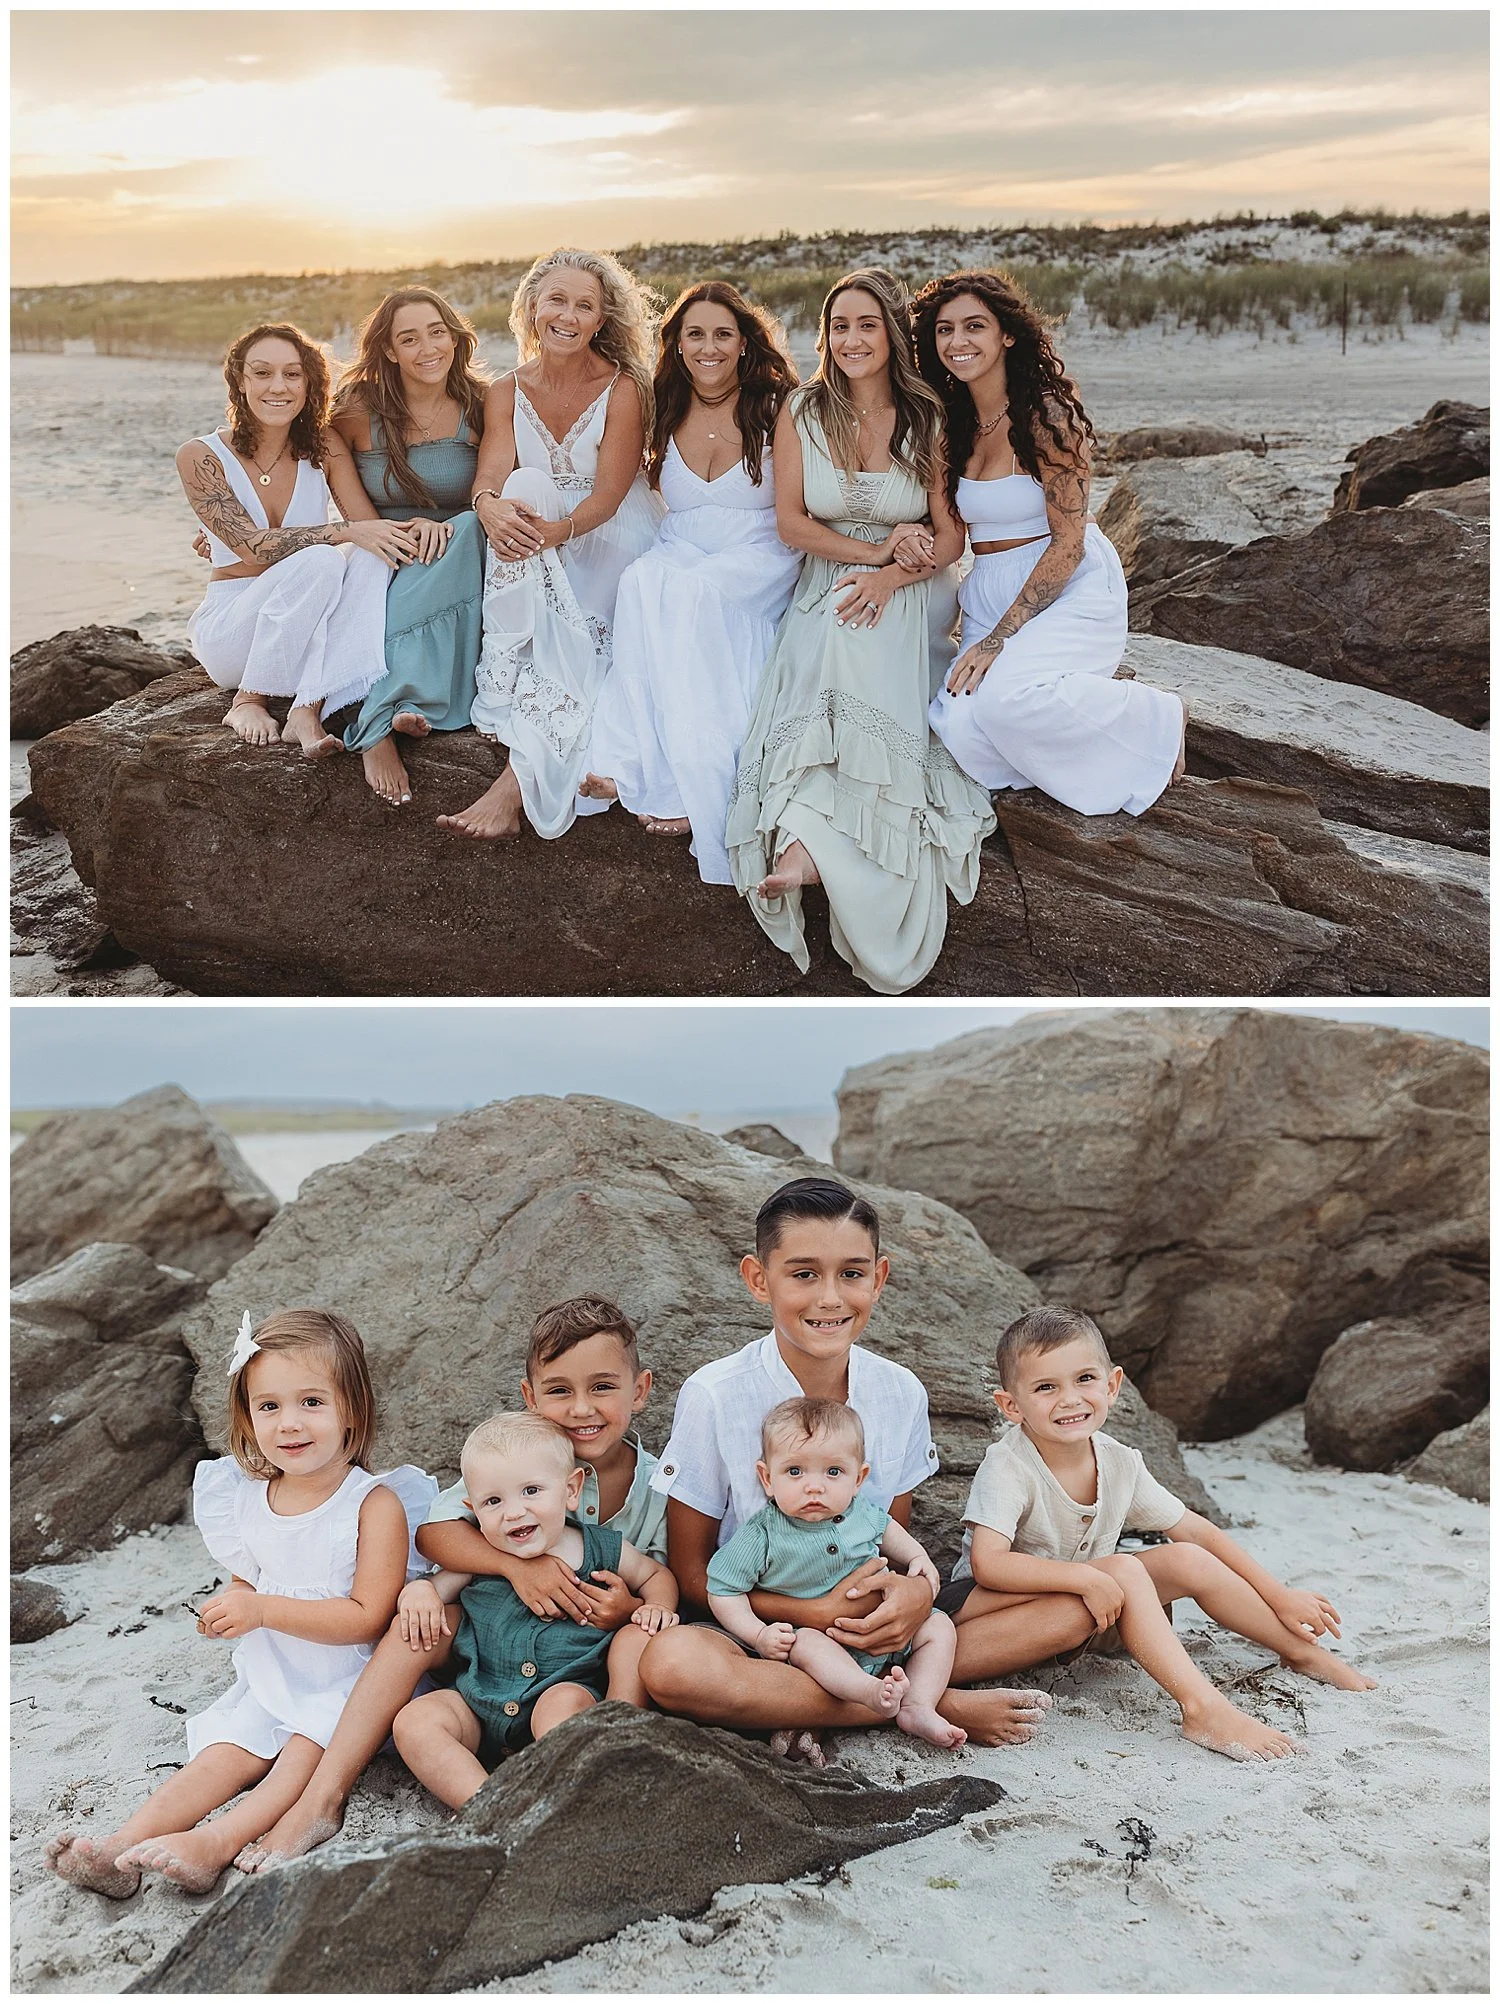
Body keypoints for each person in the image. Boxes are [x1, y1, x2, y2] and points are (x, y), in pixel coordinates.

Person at [233, 1295, 666, 1871]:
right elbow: (436, 1535)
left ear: (639, 1391)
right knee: (416, 1659)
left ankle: (595, 1778)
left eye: (602, 1388)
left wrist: (633, 1607)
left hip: (577, 1668)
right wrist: (509, 1566)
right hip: (486, 1668)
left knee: (575, 1700)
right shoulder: (507, 1462)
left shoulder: (659, 1488)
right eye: (560, 1391)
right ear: (531, 1397)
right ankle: (339, 1798)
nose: (580, 1408)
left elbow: (666, 1580)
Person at [639, 1176, 1054, 1753]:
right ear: (759, 1280)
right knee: (673, 1667)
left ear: (878, 1278)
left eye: (852, 1274)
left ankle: (855, 1697)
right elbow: (691, 1573)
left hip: (870, 1625)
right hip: (765, 1633)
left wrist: (911, 1596)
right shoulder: (715, 1394)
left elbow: (888, 1535)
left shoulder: (898, 1390)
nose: (830, 1298)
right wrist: (805, 1612)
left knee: (1068, 1610)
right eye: (804, 1274)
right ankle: (917, 1704)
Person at [43, 1311, 434, 1896]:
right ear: (247, 1417)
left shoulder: (373, 1504)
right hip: (274, 1671)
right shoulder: (245, 1498)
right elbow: (246, 1582)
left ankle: (215, 1844)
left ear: (351, 1408)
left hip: (350, 1682)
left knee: (300, 1755)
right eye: (269, 1406)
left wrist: (263, 1610)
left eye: (311, 1402)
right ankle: (122, 1847)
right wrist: (233, 1607)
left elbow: (368, 1616)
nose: (289, 1424)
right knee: (224, 1753)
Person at [943, 1306, 1377, 1763]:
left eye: (1084, 1379)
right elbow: (987, 1564)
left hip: (1072, 1611)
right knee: (1123, 1569)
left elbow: (1194, 1529)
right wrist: (1086, 1579)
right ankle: (1202, 1708)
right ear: (1011, 1406)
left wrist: (1279, 1594)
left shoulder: (1118, 1461)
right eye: (1046, 1387)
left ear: (1112, 1386)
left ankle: (1298, 1652)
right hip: (972, 1623)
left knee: (1183, 1558)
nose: (1069, 1399)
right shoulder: (1008, 1465)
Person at [725, 270, 996, 995]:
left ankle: (818, 847)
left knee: (854, 631)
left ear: (892, 335)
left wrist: (891, 577)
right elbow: (792, 524)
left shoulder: (929, 415)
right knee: (835, 634)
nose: (850, 340)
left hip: (912, 590)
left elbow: (948, 541)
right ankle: (805, 846)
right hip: (836, 571)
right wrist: (874, 555)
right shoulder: (802, 410)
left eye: (866, 325)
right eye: (838, 326)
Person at [913, 271, 1187, 815]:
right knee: (959, 728)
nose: (957, 342)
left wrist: (998, 642)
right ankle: (1072, 717)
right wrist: (902, 540)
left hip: (1066, 583)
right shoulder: (952, 426)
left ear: (1007, 335)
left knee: (1006, 703)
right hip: (989, 588)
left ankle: (1155, 716)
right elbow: (949, 533)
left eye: (974, 327)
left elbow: (1069, 542)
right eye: (945, 330)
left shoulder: (1046, 416)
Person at [578, 282, 802, 882]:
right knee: (642, 583)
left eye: (723, 334)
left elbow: (799, 508)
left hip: (760, 548)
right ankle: (624, 760)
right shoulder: (662, 404)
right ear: (675, 345)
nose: (709, 347)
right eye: (695, 334)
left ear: (744, 343)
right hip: (684, 543)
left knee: (695, 596)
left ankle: (692, 783)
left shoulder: (778, 406)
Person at [438, 249, 664, 843]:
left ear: (600, 319)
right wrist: (488, 508)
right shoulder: (505, 390)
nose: (568, 315)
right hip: (535, 535)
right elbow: (490, 476)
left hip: (607, 532)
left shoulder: (623, 389)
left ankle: (513, 785)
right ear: (532, 307)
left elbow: (612, 494)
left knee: (582, 645)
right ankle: (513, 657)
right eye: (556, 300)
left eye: (584, 305)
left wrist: (552, 536)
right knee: (522, 486)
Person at [390, 1412, 677, 1807]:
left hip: (564, 1691)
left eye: (531, 1491)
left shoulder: (601, 1549)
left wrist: (656, 1606)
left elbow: (654, 1574)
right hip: (479, 1704)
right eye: (494, 1501)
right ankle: (487, 1805)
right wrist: (417, 1594)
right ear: (473, 1508)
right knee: (415, 1722)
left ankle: (565, 1797)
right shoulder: (481, 1556)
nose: (513, 1512)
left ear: (571, 1489)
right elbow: (430, 1589)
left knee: (561, 1710)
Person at [177, 322, 420, 757]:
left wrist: (427, 525)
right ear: (239, 380)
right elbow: (252, 546)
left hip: (304, 628)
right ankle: (248, 700)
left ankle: (306, 708)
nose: (279, 386)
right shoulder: (201, 455)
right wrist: (341, 534)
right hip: (236, 628)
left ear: (309, 383)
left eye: (292, 374)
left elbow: (367, 529)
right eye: (263, 373)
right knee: (323, 559)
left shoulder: (323, 445)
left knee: (373, 556)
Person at [707, 1397, 965, 1754]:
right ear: (767, 1478)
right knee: (808, 1646)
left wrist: (918, 1557)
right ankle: (868, 1694)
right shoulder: (763, 1534)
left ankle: (918, 1705)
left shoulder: (861, 1513)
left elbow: (889, 1531)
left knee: (939, 1628)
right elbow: (722, 1589)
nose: (815, 1487)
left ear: (858, 1478)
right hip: (822, 1640)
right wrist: (759, 1633)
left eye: (833, 1472)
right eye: (795, 1472)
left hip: (886, 1631)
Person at [331, 289, 491, 806]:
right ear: (390, 351)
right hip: (384, 552)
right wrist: (227, 533)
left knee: (469, 532)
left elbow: (502, 490)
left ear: (454, 337)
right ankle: (385, 721)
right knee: (396, 574)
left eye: (437, 332)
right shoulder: (354, 412)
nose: (427, 348)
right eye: (409, 338)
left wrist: (448, 525)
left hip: (463, 551)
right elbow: (353, 515)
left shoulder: (483, 405)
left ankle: (383, 710)